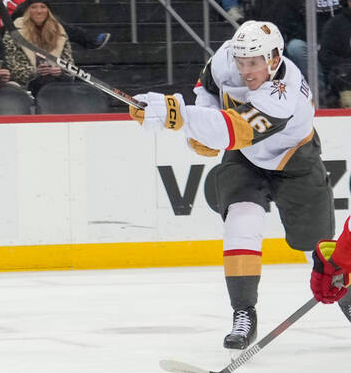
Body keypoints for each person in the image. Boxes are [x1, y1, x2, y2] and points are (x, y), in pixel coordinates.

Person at [131, 20, 335, 350]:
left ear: (273, 58)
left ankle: (348, 299)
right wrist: (198, 126)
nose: (245, 71)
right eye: (241, 63)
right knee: (242, 221)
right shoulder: (224, 58)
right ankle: (243, 313)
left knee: (320, 247)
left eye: (253, 63)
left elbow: (235, 129)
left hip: (296, 162)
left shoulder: (284, 92)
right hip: (246, 159)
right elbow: (208, 93)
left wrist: (180, 118)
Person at [1, 0, 72, 98]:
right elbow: (11, 68)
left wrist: (60, 71)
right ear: (28, 10)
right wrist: (34, 72)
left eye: (43, 7)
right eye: (34, 7)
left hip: (57, 83)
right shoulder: (14, 32)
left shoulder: (59, 31)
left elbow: (70, 66)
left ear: (48, 10)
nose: (39, 11)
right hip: (26, 85)